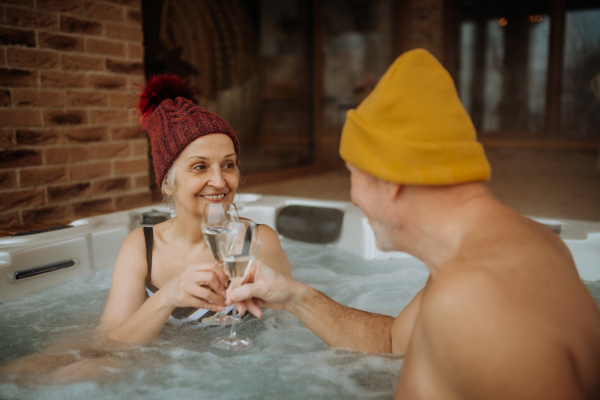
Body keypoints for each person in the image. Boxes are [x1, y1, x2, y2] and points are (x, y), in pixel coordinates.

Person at [225, 49, 600, 399]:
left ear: (391, 180)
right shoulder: (485, 258)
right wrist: (293, 295)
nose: (353, 197)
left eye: (352, 175)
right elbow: (392, 344)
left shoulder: (481, 301)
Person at [98, 74, 292, 343]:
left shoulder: (257, 241)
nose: (219, 181)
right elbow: (108, 343)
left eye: (228, 164)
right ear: (168, 183)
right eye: (200, 166)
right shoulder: (143, 247)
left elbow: (285, 336)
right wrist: (167, 296)